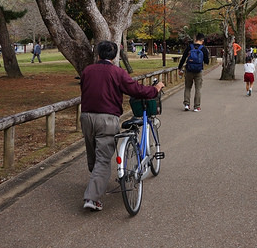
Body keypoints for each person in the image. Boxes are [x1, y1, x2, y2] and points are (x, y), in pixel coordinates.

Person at [80, 40, 164, 212]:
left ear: (98, 54)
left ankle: (95, 182)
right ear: (115, 55)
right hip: (107, 118)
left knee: (93, 153)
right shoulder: (117, 72)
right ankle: (92, 198)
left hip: (86, 116)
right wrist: (155, 89)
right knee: (103, 158)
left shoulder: (87, 71)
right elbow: (136, 90)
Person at [178, 33, 210, 112]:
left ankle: (186, 104)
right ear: (202, 40)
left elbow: (183, 58)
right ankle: (196, 106)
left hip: (189, 70)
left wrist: (180, 68)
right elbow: (207, 61)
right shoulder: (203, 49)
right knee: (198, 89)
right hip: (198, 71)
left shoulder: (190, 47)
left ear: (195, 39)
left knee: (188, 87)